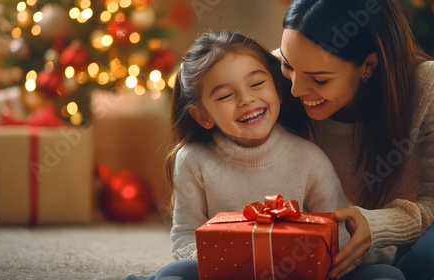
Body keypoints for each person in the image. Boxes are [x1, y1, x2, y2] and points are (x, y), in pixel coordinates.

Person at [277, 0, 434, 279]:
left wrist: (376, 226)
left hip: (424, 250)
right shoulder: (268, 81)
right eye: (288, 66)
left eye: (320, 79)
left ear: (368, 65)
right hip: (340, 257)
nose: (296, 89)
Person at [126, 29, 350, 280]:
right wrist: (207, 257)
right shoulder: (192, 159)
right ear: (203, 116)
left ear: (277, 88)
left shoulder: (309, 158)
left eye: (256, 84)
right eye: (225, 96)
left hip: (297, 272)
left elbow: (339, 229)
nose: (246, 99)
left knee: (380, 273)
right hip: (225, 272)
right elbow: (185, 234)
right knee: (175, 273)